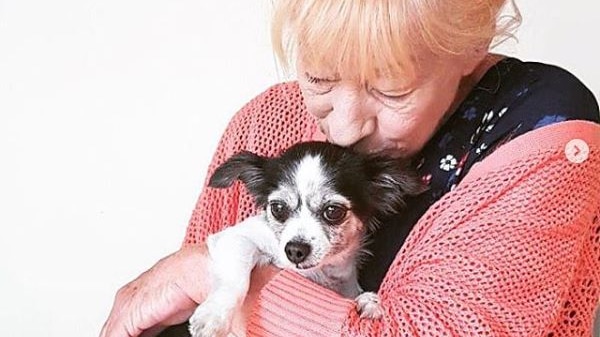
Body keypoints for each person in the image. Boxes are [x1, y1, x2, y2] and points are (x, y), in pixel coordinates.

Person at [100, 1, 600, 336]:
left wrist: (202, 277)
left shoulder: (543, 133)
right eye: (319, 78)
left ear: (472, 44)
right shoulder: (265, 122)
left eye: (390, 90)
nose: (342, 128)